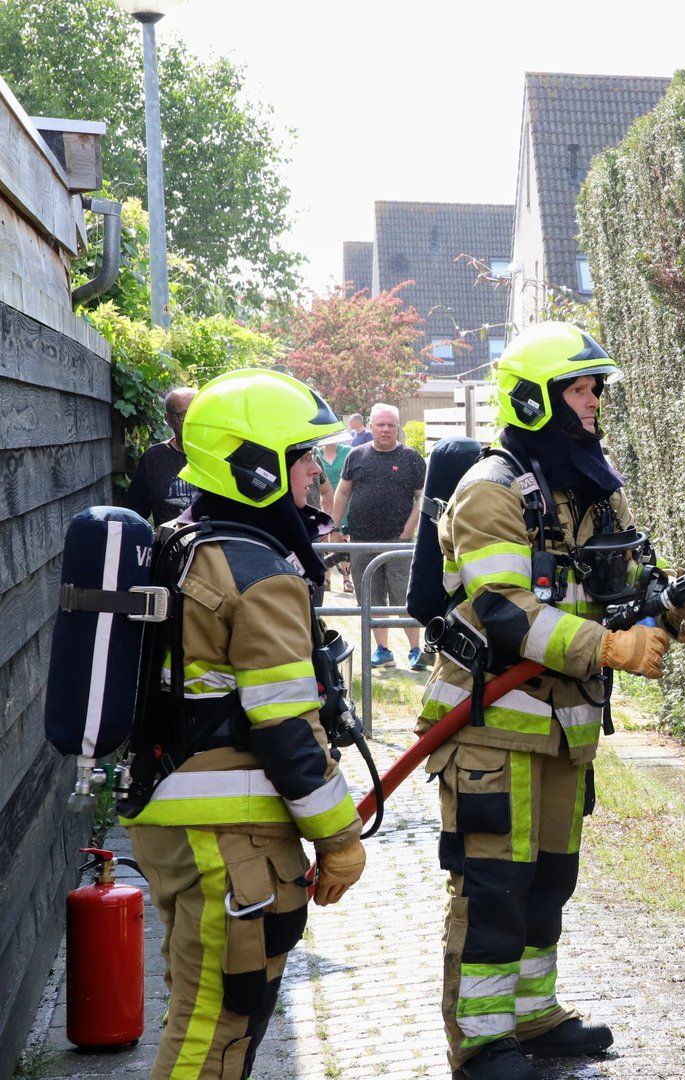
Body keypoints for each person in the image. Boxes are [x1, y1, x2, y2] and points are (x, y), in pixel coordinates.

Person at [416, 322, 685, 1080]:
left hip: (562, 732)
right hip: (491, 728)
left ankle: (532, 1016)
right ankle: (481, 1044)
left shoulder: (587, 489)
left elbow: (625, 581)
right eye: (579, 390)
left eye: (594, 390)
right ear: (535, 399)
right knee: (493, 888)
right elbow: (507, 611)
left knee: (550, 879)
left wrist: (667, 613)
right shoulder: (490, 490)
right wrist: (609, 649)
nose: (593, 404)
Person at [119, 368, 367, 1080]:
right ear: (256, 467)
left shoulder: (184, 543)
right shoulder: (259, 573)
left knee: (200, 1010)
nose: (318, 472)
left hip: (179, 822)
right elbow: (286, 728)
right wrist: (341, 839)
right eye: (302, 455)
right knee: (217, 1028)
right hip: (230, 842)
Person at [330, 404, 426, 668]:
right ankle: (382, 650)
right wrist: (335, 529)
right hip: (362, 541)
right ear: (371, 426)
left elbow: (422, 497)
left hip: (398, 543)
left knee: (403, 596)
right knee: (370, 598)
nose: (385, 430)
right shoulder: (356, 456)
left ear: (398, 428)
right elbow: (342, 492)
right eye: (380, 425)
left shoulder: (411, 458)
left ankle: (415, 650)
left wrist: (408, 530)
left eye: (390, 425)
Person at [123, 387, 198, 522]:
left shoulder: (221, 455)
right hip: (170, 541)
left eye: (198, 413)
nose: (192, 421)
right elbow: (134, 515)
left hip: (215, 541)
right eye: (184, 415)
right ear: (168, 419)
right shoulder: (154, 458)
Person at [318, 439, 353, 592]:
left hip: (343, 503)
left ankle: (347, 579)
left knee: (344, 540)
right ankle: (326, 579)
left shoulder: (347, 451)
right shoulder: (316, 454)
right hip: (324, 502)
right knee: (325, 540)